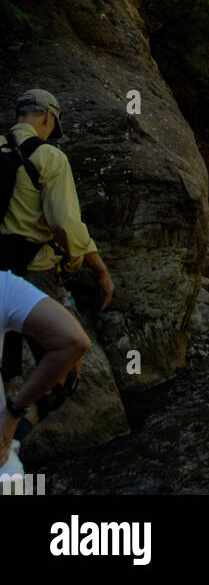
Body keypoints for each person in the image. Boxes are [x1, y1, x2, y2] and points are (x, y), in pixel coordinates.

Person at [0, 89, 114, 400]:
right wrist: (96, 268)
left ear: (16, 116)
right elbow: (65, 224)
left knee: (3, 370)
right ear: (49, 117)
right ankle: (17, 426)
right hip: (35, 273)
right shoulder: (50, 158)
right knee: (65, 370)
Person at [0, 267, 90, 476]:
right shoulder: (4, 284)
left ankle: (18, 427)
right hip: (5, 472)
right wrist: (12, 412)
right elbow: (74, 341)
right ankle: (17, 427)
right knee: (65, 382)